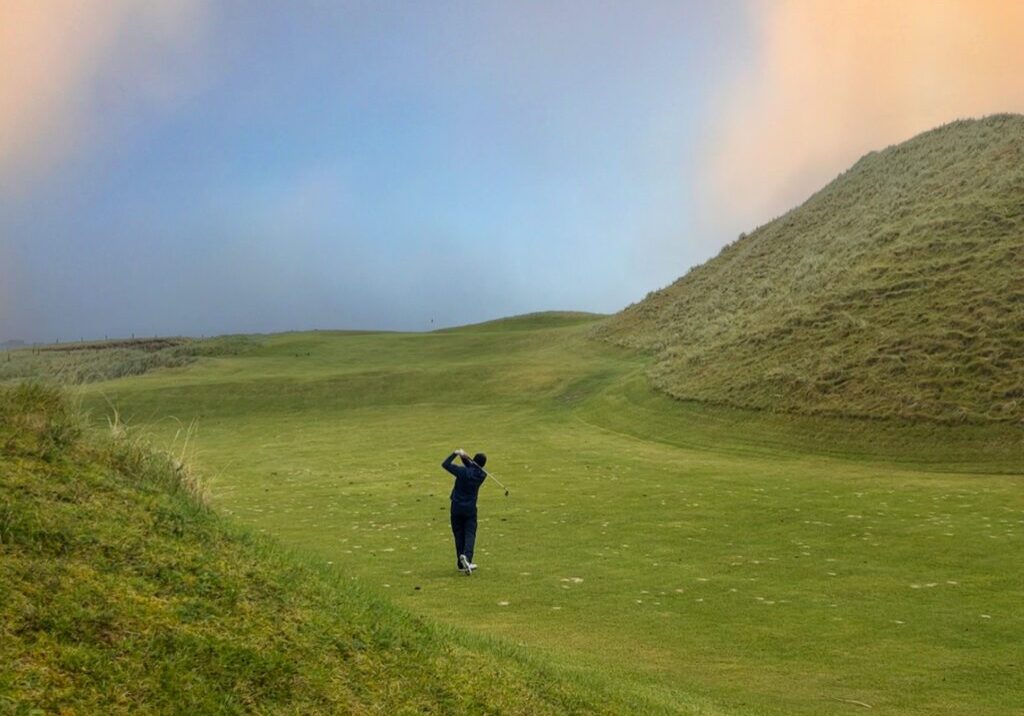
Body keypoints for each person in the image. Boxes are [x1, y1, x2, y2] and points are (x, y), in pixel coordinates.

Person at [440, 448, 488, 574]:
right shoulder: (482, 475)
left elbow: (445, 464)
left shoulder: (462, 472)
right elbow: (473, 468)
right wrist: (465, 458)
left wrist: (456, 454)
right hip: (470, 509)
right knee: (470, 533)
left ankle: (461, 563)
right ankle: (466, 558)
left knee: (458, 534)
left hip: (456, 507)